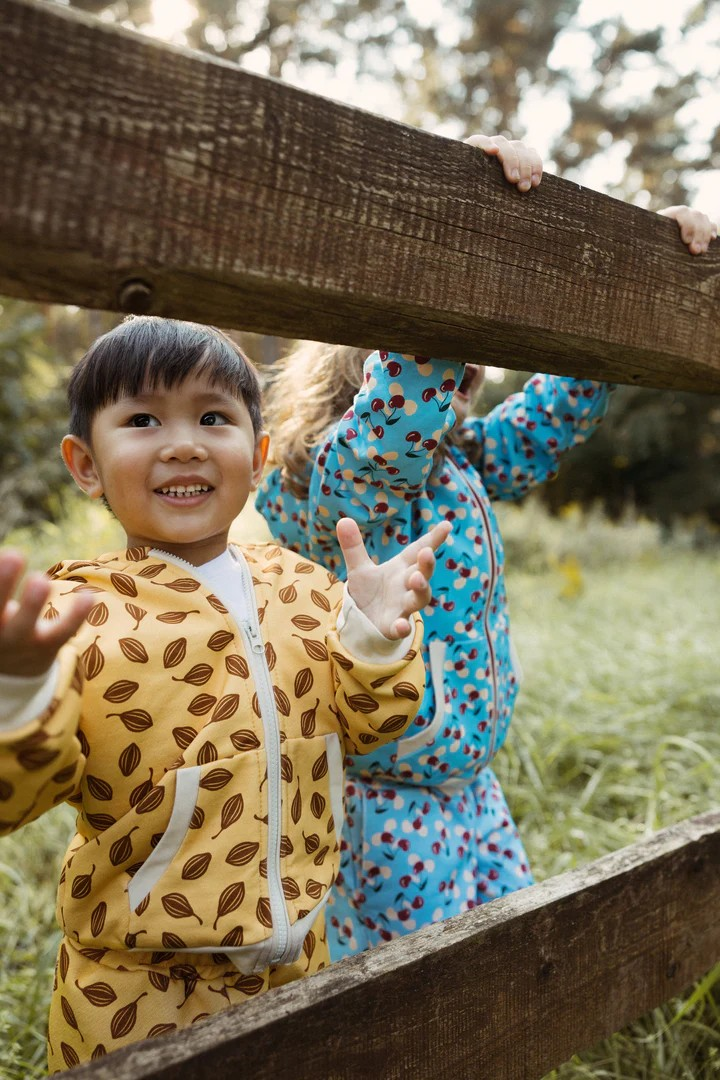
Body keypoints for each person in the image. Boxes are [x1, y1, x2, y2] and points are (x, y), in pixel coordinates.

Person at [256, 134, 718, 959]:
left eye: (470, 371)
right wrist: (457, 218)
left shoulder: (457, 461)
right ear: (371, 366)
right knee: (418, 997)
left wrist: (633, 274)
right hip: (388, 800)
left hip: (471, 784)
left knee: (511, 964)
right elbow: (401, 407)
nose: (464, 379)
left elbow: (549, 419)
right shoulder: (351, 474)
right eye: (447, 363)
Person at [0, 316, 450, 1071]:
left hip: (300, 965)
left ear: (258, 454)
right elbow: (13, 798)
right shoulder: (76, 615)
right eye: (142, 419)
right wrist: (17, 690)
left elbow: (369, 726)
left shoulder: (305, 588)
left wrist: (373, 638)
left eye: (214, 417)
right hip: (134, 988)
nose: (183, 443)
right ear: (85, 463)